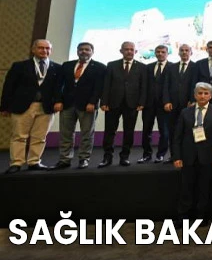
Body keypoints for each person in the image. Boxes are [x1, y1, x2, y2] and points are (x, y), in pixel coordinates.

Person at [1, 39, 61, 173]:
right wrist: (4, 107)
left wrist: (58, 101)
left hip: (46, 107)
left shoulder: (57, 68)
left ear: (51, 51)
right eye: (40, 48)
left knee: (40, 137)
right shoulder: (19, 66)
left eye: (47, 48)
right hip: (23, 106)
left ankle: (34, 162)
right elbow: (8, 87)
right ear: (33, 49)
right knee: (19, 136)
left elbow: (59, 88)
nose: (44, 51)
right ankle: (16, 163)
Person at [172, 82, 212, 227]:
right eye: (200, 93)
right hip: (188, 156)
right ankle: (183, 217)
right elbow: (177, 136)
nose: (202, 96)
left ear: (211, 96)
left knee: (204, 188)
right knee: (186, 188)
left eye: (206, 93)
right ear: (195, 95)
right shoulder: (185, 112)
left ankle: (201, 216)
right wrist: (177, 156)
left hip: (207, 156)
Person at [52, 42, 106, 170]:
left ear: (92, 52)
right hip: (67, 104)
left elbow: (99, 87)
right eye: (81, 49)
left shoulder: (100, 67)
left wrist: (93, 102)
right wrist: (58, 101)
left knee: (87, 134)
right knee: (66, 133)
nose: (84, 51)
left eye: (87, 49)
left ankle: (84, 158)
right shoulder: (67, 65)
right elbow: (59, 85)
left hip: (88, 105)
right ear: (77, 51)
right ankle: (65, 159)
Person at [99, 41, 147, 168]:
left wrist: (142, 102)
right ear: (121, 51)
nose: (129, 51)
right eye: (126, 49)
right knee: (109, 131)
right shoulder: (112, 65)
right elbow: (106, 84)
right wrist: (104, 102)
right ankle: (107, 157)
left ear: (135, 51)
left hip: (132, 104)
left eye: (132, 49)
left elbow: (144, 86)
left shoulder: (142, 67)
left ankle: (125, 157)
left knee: (129, 132)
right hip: (112, 103)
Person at [139, 45, 173, 164]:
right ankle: (146, 154)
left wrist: (169, 102)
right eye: (158, 52)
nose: (160, 54)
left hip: (164, 105)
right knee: (146, 130)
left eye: (163, 52)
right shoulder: (148, 67)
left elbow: (172, 87)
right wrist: (142, 102)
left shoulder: (173, 67)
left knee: (164, 131)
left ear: (167, 53)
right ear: (155, 53)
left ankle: (161, 155)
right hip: (148, 105)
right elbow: (143, 86)